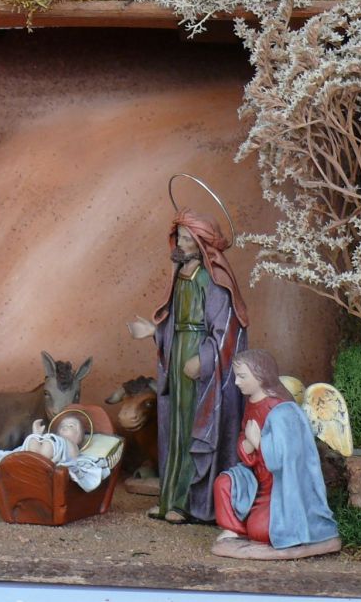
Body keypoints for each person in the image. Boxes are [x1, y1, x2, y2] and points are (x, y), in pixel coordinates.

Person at [133, 209, 248, 523]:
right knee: (176, 429)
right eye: (179, 238)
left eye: (186, 239)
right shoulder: (180, 277)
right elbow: (174, 322)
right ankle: (170, 497)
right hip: (178, 356)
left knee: (194, 428)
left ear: (201, 243)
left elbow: (227, 329)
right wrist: (154, 331)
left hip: (199, 361)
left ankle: (188, 503)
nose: (180, 244)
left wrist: (204, 359)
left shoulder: (212, 280)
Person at [212, 350, 340, 559]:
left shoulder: (283, 410)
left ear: (260, 375)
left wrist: (258, 441)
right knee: (223, 483)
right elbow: (245, 437)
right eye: (236, 376)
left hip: (281, 485)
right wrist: (248, 445)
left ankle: (260, 528)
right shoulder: (251, 403)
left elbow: (285, 456)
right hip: (257, 477)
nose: (236, 382)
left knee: (261, 530)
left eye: (242, 376)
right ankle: (236, 529)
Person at [0, 410, 110, 492]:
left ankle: (34, 460)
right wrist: (37, 435)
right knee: (31, 439)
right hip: (39, 453)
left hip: (47, 459)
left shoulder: (73, 445)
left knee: (49, 442)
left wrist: (54, 442)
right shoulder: (53, 439)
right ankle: (28, 456)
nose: (65, 427)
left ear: (79, 438)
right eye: (62, 426)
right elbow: (49, 441)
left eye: (71, 426)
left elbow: (72, 459)